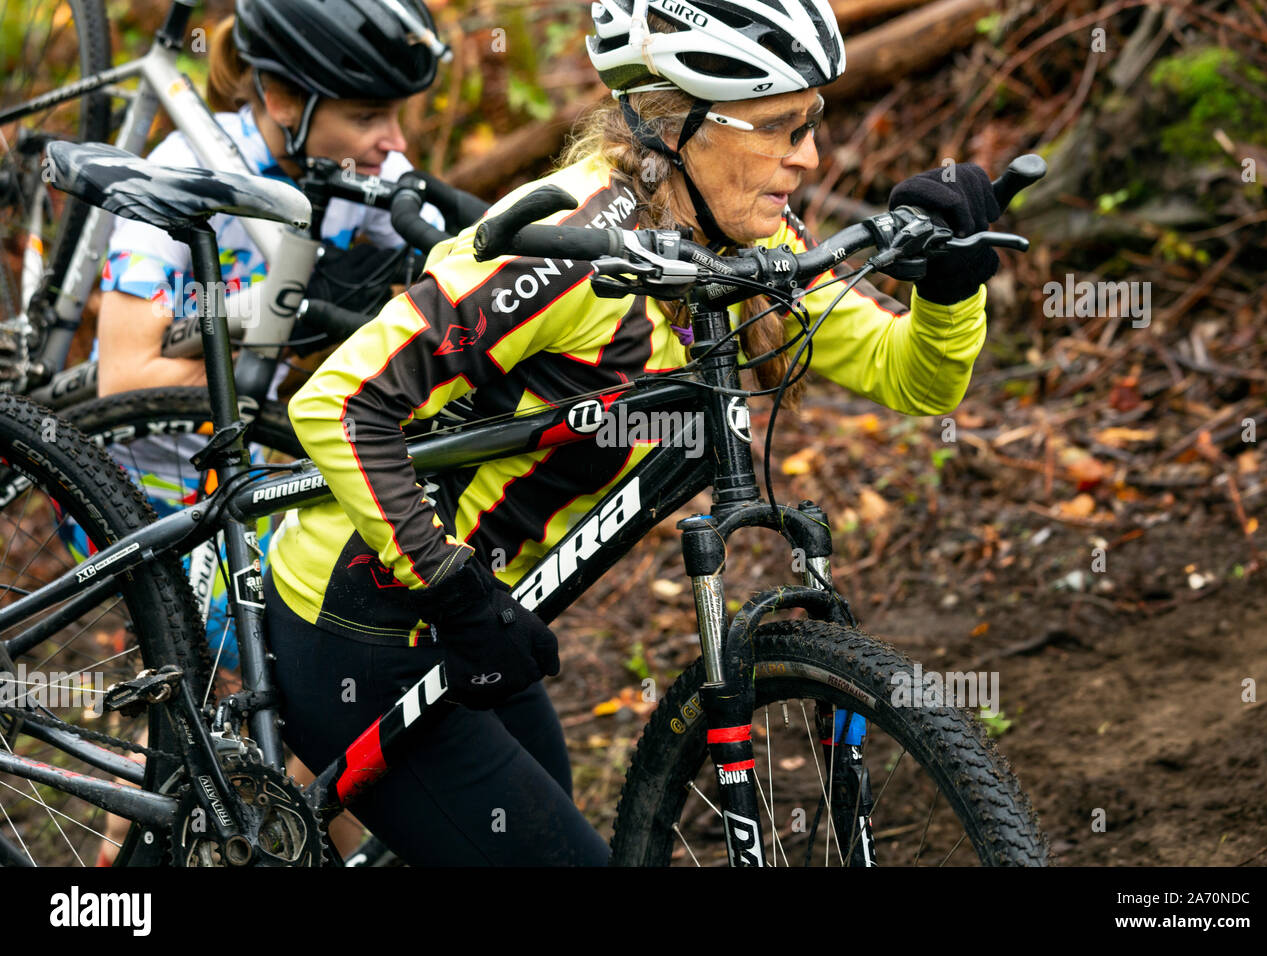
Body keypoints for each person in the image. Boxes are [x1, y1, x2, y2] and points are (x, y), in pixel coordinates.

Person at [264, 0, 1005, 865]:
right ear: (678, 129)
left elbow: (912, 377)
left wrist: (951, 285)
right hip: (369, 621)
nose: (808, 156)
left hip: (478, 614)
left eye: (810, 121)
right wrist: (453, 592)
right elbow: (338, 403)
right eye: (776, 126)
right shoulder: (566, 244)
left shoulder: (740, 241)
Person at [86, 0, 452, 865]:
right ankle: (128, 858)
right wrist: (302, 368)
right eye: (368, 117)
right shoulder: (180, 180)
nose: (393, 142)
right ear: (286, 100)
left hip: (268, 469)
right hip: (154, 483)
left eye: (398, 116)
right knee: (260, 708)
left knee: (298, 735)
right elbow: (125, 377)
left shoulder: (349, 175)